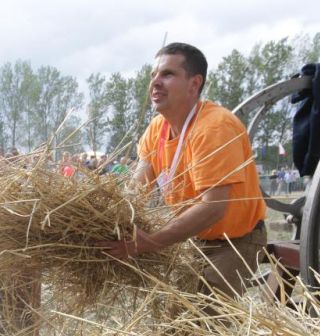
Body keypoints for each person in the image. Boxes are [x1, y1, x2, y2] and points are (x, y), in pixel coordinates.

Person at [99, 42, 267, 298]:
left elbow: (213, 208)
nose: (155, 83)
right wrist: (105, 219)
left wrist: (149, 243)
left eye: (167, 74)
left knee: (201, 313)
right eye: (153, 75)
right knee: (169, 308)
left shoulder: (215, 127)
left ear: (194, 84)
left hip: (234, 242)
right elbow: (136, 191)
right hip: (194, 238)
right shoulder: (157, 129)